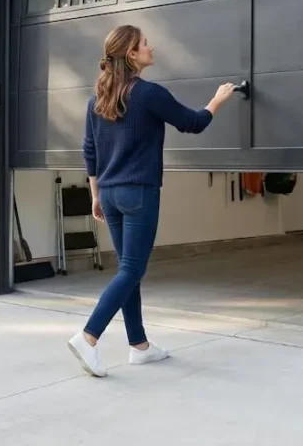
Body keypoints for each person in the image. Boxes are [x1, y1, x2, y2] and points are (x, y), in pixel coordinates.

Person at [67, 24, 238, 377]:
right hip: (139, 193)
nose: (151, 47)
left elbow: (90, 151)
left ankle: (139, 346)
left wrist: (95, 195)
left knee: (129, 271)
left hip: (111, 195)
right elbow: (193, 123)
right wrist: (217, 101)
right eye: (145, 44)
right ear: (131, 54)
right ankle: (88, 336)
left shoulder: (96, 99)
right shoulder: (148, 94)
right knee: (132, 269)